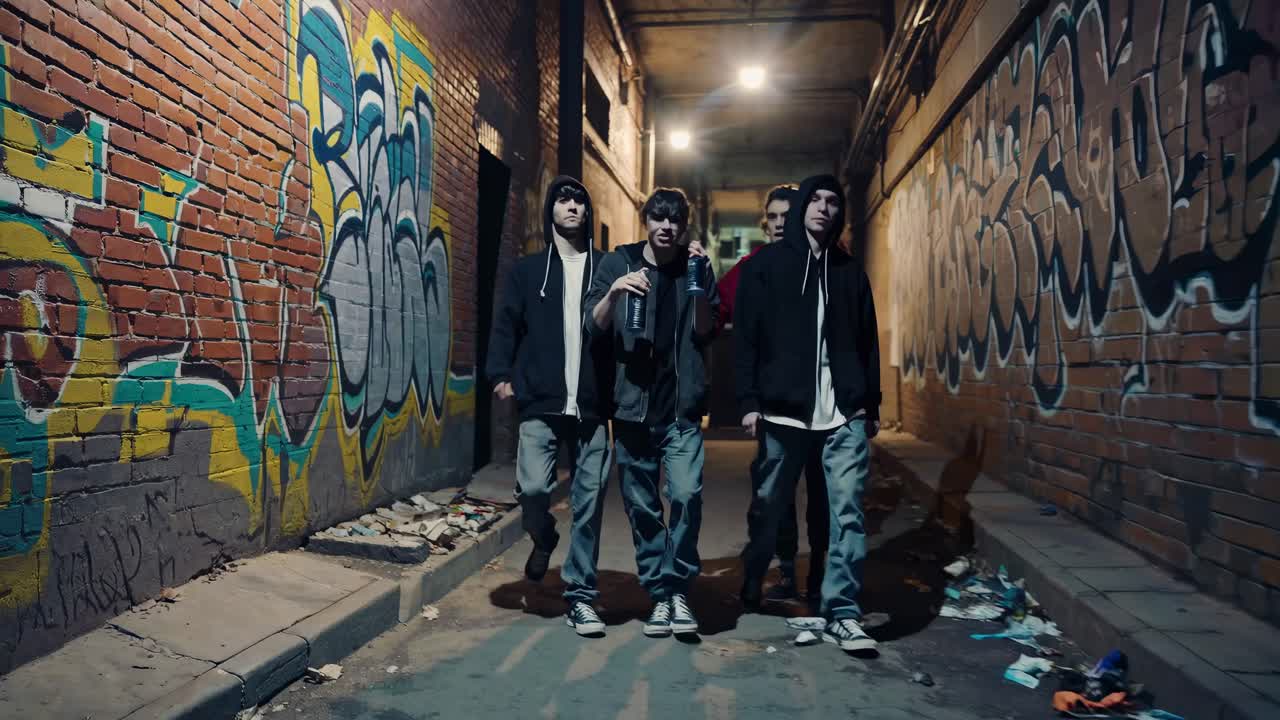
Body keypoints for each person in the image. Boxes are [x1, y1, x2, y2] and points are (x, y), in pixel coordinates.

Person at [734, 174, 882, 652]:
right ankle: (754, 574)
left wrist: (871, 403)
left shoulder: (849, 272)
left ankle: (842, 610)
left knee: (847, 511)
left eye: (832, 201)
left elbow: (867, 341)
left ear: (840, 213)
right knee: (768, 507)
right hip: (783, 414)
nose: (822, 207)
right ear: (802, 208)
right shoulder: (767, 266)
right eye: (814, 199)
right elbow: (746, 339)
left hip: (843, 412)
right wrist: (748, 402)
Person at [585, 188, 720, 638]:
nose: (666, 226)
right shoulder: (618, 262)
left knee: (685, 495)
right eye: (658, 218)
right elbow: (592, 325)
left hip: (680, 411)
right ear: (646, 220)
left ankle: (677, 589)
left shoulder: (694, 266)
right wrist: (616, 292)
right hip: (632, 409)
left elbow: (706, 329)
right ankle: (662, 596)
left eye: (675, 220)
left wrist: (700, 277)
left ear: (684, 226)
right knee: (642, 508)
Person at [485, 176, 614, 637]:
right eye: (563, 199)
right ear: (551, 211)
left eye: (579, 200)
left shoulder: (607, 268)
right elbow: (506, 324)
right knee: (534, 490)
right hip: (541, 398)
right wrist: (500, 374)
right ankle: (543, 536)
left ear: (588, 212)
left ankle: (580, 596)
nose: (572, 206)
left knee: (589, 503)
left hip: (593, 403)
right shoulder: (528, 271)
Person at [718, 184, 828, 608]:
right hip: (776, 404)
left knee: (821, 496)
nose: (781, 223)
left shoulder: (824, 262)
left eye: (788, 215)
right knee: (772, 496)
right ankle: (782, 571)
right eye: (774, 216)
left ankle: (817, 579)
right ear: (765, 223)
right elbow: (717, 315)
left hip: (824, 404)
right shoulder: (752, 267)